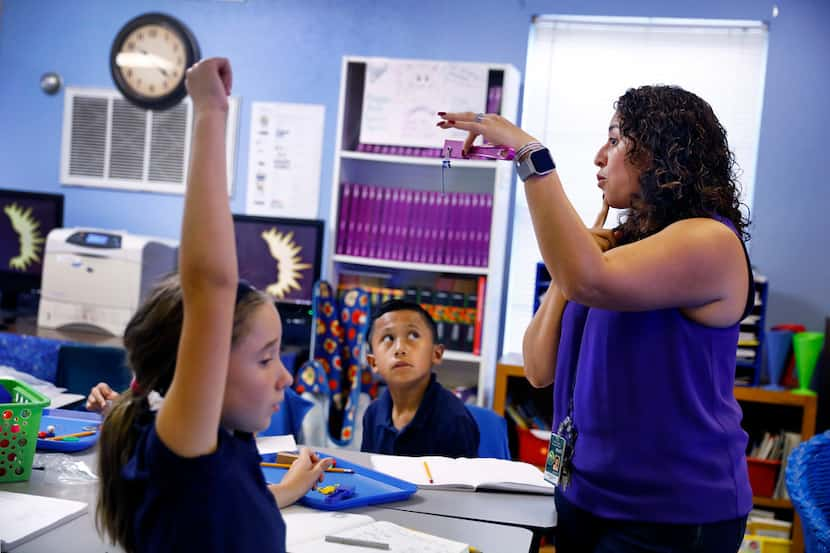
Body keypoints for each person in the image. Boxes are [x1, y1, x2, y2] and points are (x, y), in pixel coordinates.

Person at [439, 85, 753, 552]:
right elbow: (538, 369)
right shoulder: (612, 250)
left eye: (615, 139)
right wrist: (569, 275)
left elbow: (590, 280)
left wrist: (532, 156)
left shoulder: (710, 241)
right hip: (583, 497)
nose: (599, 157)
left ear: (657, 152)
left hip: (670, 513)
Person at [95, 58, 332, 553]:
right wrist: (209, 109)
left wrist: (290, 489)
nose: (285, 378)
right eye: (265, 358)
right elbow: (211, 285)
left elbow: (229, 507)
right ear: (199, 368)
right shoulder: (181, 447)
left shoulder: (225, 440)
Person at [360, 299, 479, 458]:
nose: (400, 348)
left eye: (413, 335)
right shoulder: (373, 414)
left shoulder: (455, 420)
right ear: (373, 362)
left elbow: (462, 483)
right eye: (388, 338)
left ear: (436, 354)